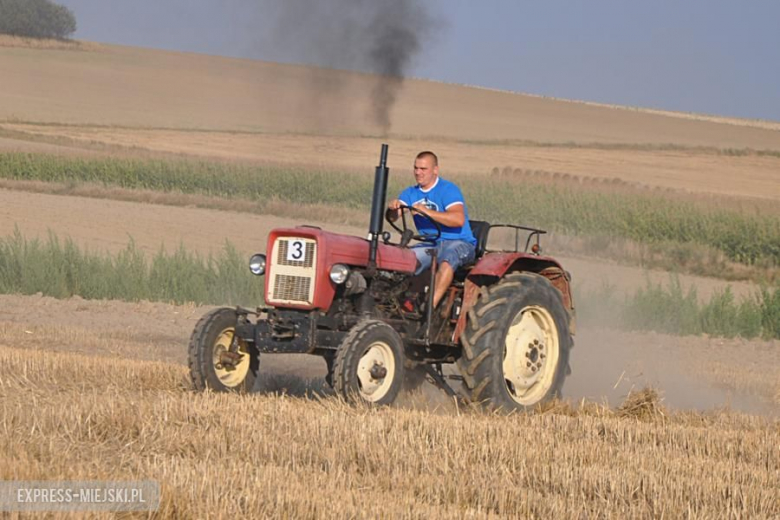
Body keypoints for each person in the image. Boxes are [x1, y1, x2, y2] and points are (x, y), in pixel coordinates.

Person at [387, 151, 477, 310]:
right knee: (406, 259)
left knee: (448, 259)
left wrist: (427, 212)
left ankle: (429, 308)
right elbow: (394, 217)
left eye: (423, 169)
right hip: (430, 244)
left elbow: (458, 219)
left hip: (458, 242)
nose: (418, 172)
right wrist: (393, 208)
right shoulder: (410, 193)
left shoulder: (448, 190)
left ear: (435, 170)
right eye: (415, 168)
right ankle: (400, 303)